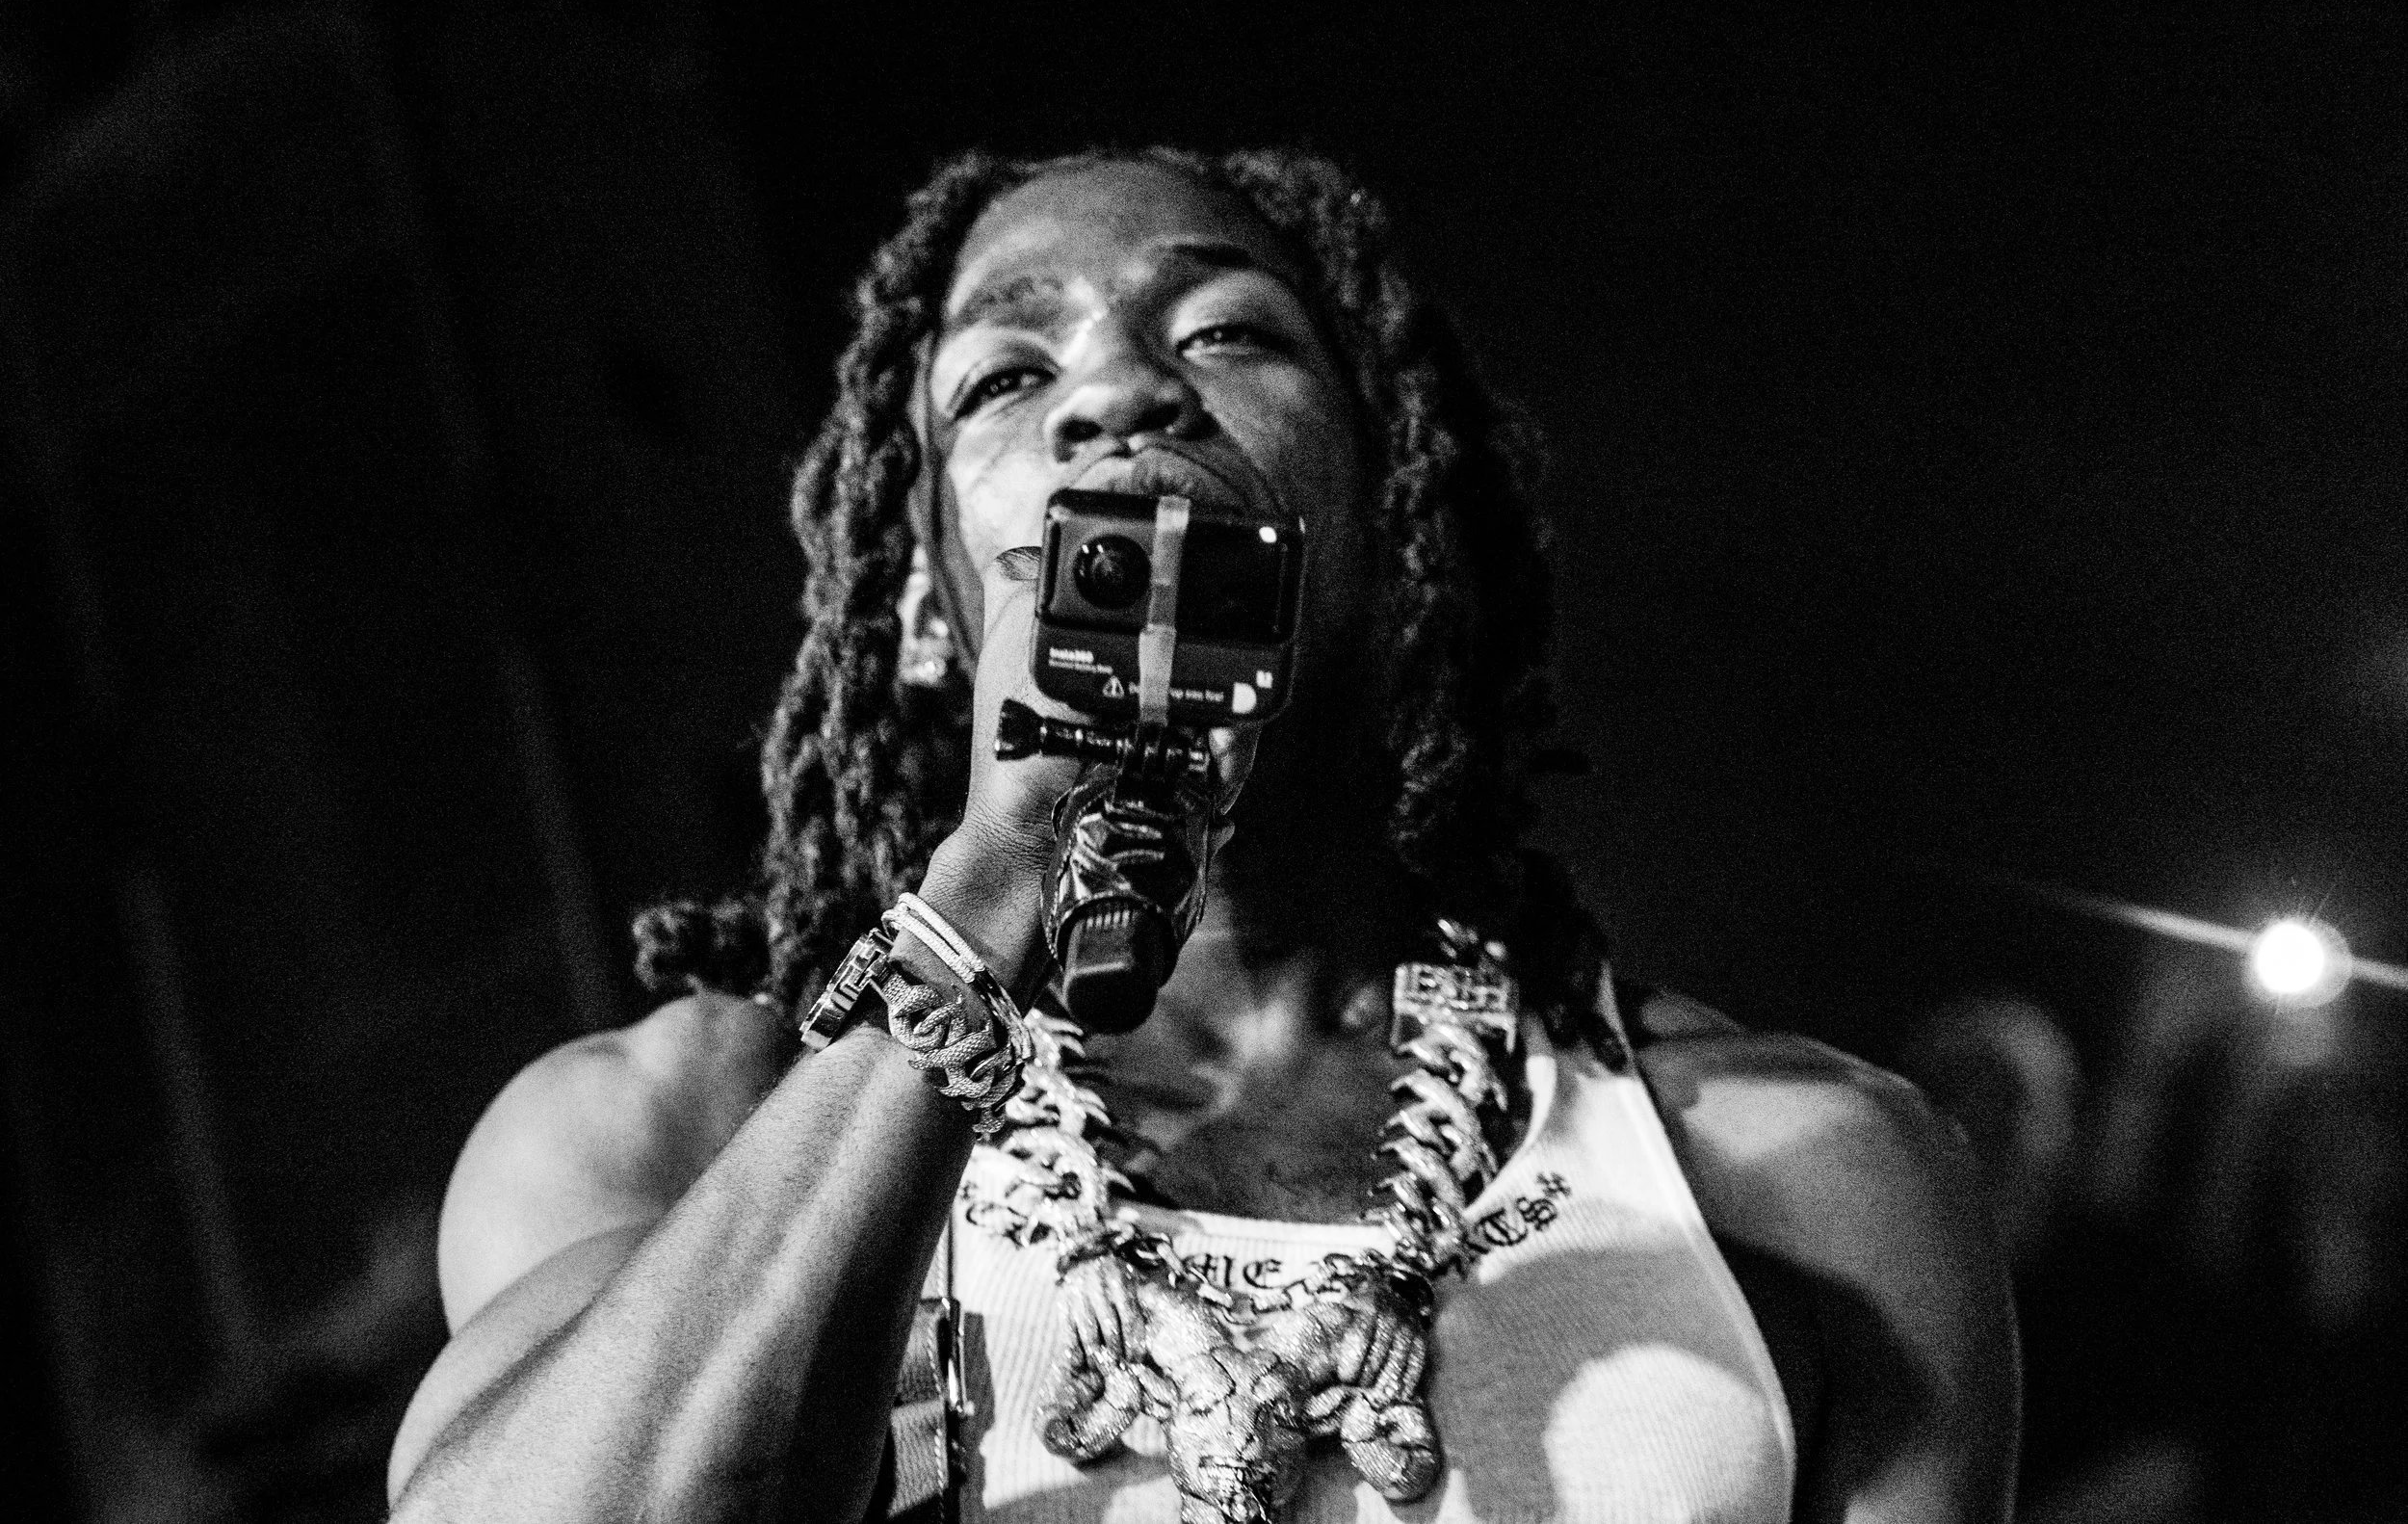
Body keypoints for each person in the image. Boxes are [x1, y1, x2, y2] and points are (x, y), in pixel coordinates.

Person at [384, 146, 2016, 1524]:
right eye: (1008, 378)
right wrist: (999, 874)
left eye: (1230, 334)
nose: (1119, 390)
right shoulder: (663, 1133)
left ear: (1394, 518)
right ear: (926, 605)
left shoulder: (1800, 1179)